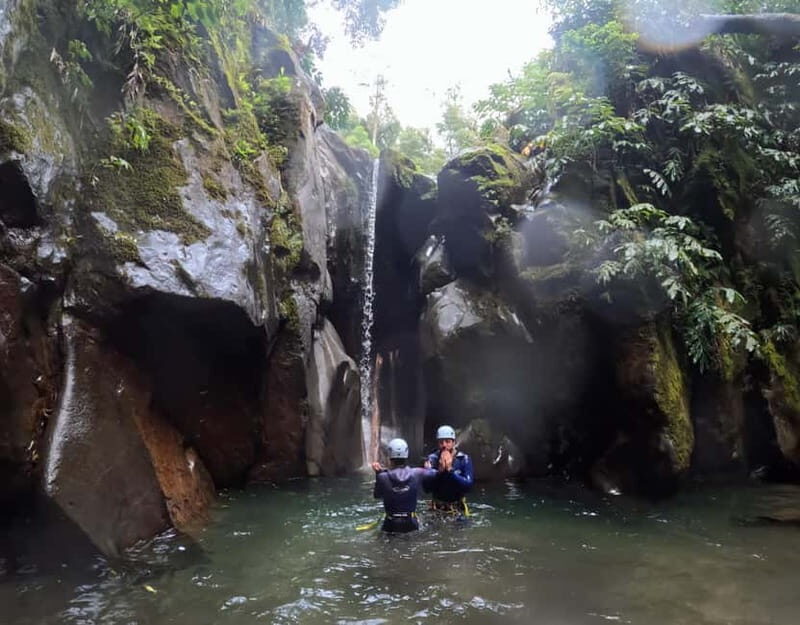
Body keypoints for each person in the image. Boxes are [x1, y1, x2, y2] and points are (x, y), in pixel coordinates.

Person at [372, 438, 435, 533]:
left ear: (389, 455)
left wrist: (378, 474)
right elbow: (435, 476)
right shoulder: (418, 473)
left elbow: (377, 496)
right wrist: (429, 469)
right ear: (406, 454)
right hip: (410, 523)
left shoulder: (383, 477)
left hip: (390, 523)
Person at [424, 425, 474, 515]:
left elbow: (468, 486)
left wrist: (450, 472)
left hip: (457, 507)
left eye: (448, 442)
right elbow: (426, 488)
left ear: (454, 442)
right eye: (441, 442)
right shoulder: (432, 459)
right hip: (437, 506)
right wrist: (438, 473)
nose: (444, 445)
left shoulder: (463, 459)